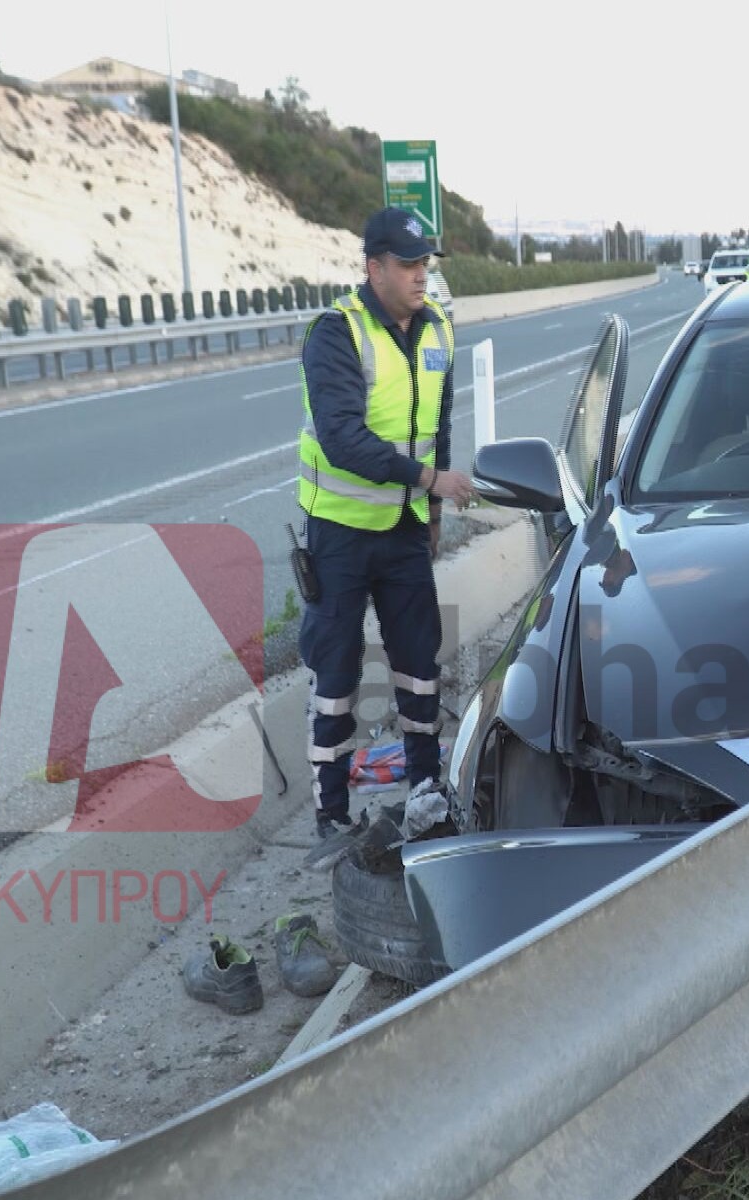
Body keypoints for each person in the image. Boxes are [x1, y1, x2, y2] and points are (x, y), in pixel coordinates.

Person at [297, 207, 476, 859]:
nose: (420, 274)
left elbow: (437, 426)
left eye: (425, 262)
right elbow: (343, 440)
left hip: (402, 532)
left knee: (419, 665)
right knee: (337, 674)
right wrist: (428, 482)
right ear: (374, 268)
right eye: (407, 264)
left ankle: (427, 788)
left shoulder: (437, 334)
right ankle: (331, 814)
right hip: (340, 535)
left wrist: (428, 514)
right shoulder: (335, 334)